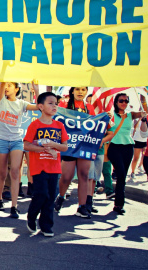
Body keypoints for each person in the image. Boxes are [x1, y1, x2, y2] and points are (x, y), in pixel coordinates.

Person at [24, 92, 69, 237]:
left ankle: (46, 226)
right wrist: (43, 148)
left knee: (50, 196)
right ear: (41, 106)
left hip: (54, 167)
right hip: (39, 167)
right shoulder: (34, 125)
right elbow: (26, 145)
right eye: (50, 103)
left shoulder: (59, 125)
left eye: (56, 103)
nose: (54, 106)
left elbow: (64, 147)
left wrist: (54, 144)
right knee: (41, 194)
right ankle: (31, 216)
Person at [0, 82, 39, 218]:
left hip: (16, 141)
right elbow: (1, 85)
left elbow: (39, 106)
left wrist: (36, 90)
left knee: (15, 171)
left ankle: (14, 206)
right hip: (1, 140)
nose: (6, 88)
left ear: (17, 89)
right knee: (2, 172)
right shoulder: (1, 100)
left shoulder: (22, 104)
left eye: (10, 85)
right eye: (5, 85)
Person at [55, 87, 97, 219]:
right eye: (77, 89)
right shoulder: (64, 104)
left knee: (84, 175)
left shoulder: (89, 107)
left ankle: (82, 206)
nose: (80, 92)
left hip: (84, 145)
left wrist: (106, 118)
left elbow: (96, 125)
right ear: (72, 91)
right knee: (67, 177)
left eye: (83, 89)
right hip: (70, 145)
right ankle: (61, 197)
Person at [107, 93, 146, 215]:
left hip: (128, 146)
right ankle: (118, 202)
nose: (124, 103)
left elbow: (145, 110)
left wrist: (143, 96)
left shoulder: (130, 114)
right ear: (116, 102)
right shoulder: (111, 115)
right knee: (121, 173)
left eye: (126, 101)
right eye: (121, 101)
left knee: (123, 176)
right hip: (114, 146)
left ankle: (119, 205)